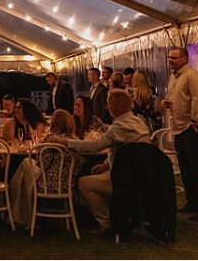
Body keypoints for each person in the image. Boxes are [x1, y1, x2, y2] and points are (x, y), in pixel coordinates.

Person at [48, 90, 150, 235]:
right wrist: (105, 165)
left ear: (116, 107)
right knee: (98, 175)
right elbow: (130, 154)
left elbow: (94, 146)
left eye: (109, 105)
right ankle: (123, 215)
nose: (107, 108)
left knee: (83, 183)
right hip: (141, 177)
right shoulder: (140, 123)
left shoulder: (117, 128)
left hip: (122, 179)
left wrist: (63, 141)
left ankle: (106, 222)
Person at [163, 47, 198, 218]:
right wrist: (168, 103)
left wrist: (194, 121)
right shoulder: (173, 77)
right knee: (185, 167)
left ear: (184, 58)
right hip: (178, 128)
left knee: (197, 167)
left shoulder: (192, 76)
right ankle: (192, 201)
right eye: (169, 58)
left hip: (191, 128)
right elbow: (176, 97)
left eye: (174, 58)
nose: (170, 61)